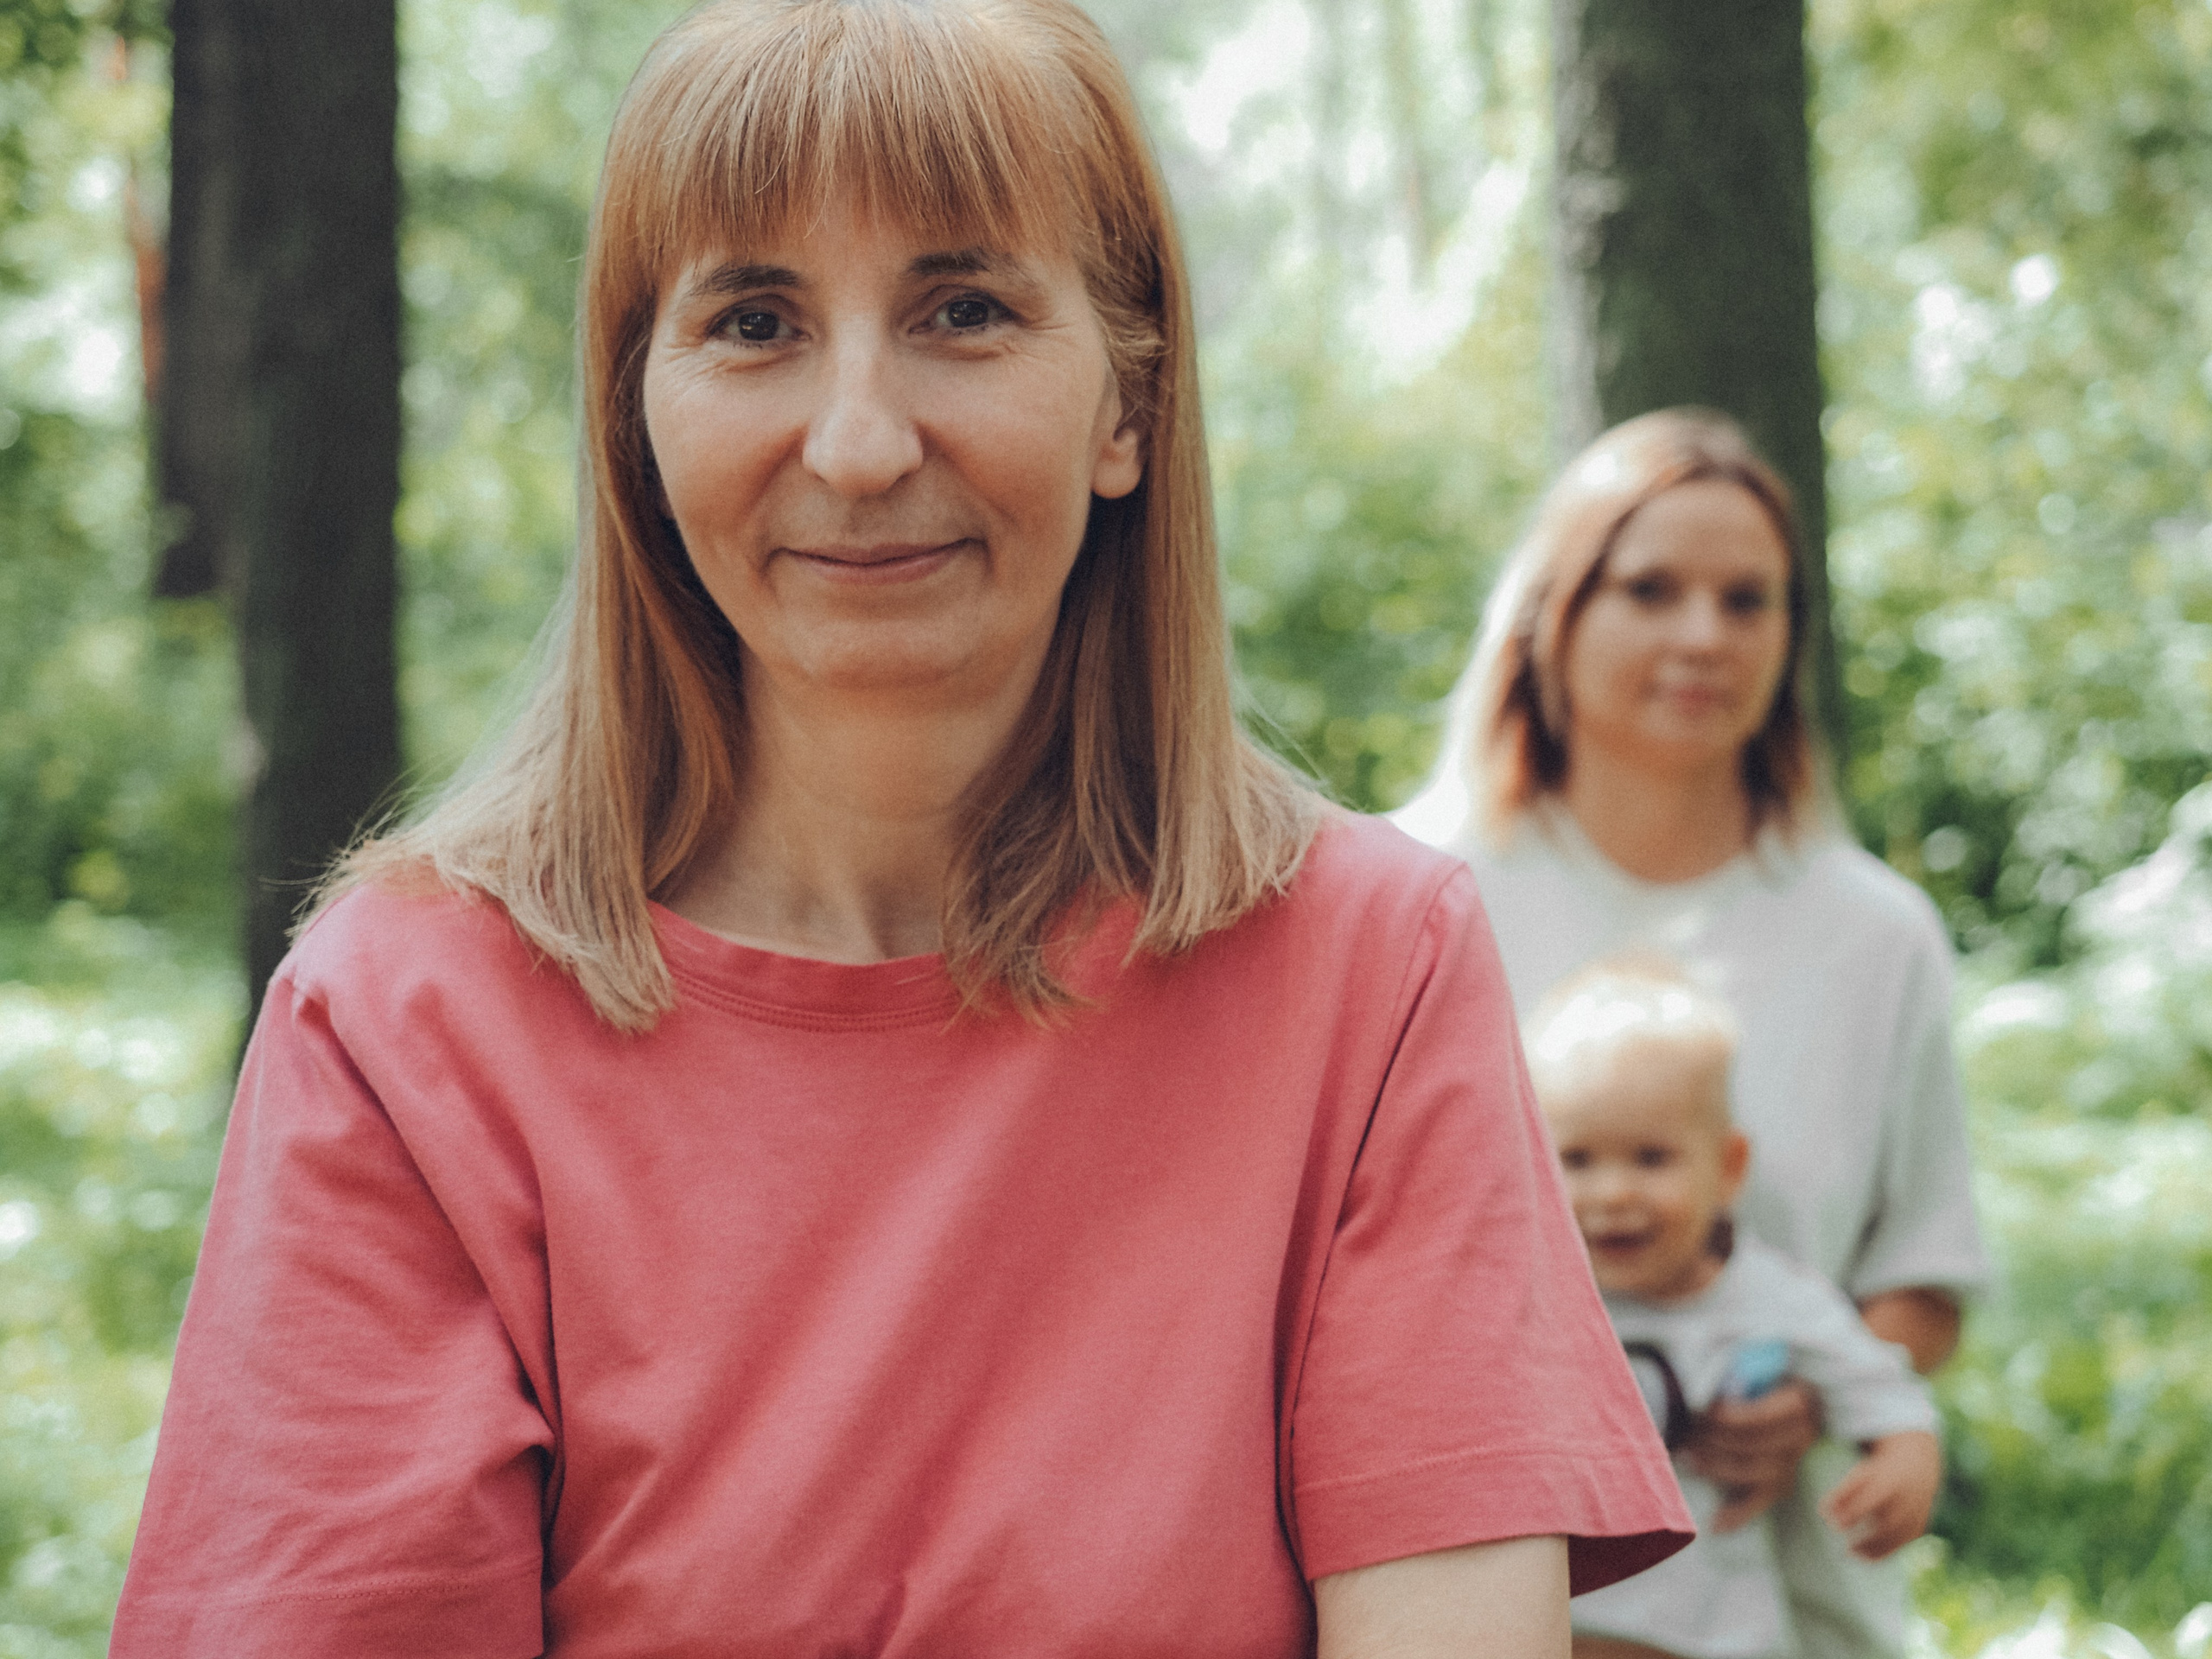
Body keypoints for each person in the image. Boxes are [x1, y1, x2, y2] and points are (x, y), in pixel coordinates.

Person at [108, 3, 1690, 1654]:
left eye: (963, 309)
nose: (859, 446)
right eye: (754, 322)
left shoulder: (1368, 972)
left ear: (1128, 404)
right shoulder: (404, 1025)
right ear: (637, 420)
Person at [1395, 408, 1988, 1659]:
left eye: (1748, 599)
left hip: (1786, 1606)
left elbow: (1921, 1277)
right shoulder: (1409, 896)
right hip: (1471, 1602)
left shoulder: (1876, 934)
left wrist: (1801, 1396)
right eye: (1651, 589)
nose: (1703, 636)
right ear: (1553, 613)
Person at [1525, 957, 1942, 1659]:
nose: (1613, 1192)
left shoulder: (1768, 1298)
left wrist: (1905, 1457)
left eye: (1652, 1158)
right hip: (1555, 1620)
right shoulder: (1528, 1292)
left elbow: (1884, 1389)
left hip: (1709, 1630)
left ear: (1728, 1167)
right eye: (1578, 1160)